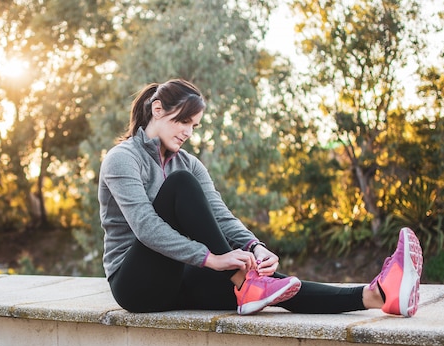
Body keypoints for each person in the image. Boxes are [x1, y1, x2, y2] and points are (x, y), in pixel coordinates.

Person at [98, 79, 423, 317]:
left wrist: (255, 247)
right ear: (157, 109)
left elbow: (221, 217)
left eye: (194, 126)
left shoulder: (189, 163)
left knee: (273, 286)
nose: (188, 133)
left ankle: (377, 295)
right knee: (181, 186)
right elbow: (145, 227)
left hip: (179, 277)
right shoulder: (122, 158)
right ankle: (244, 280)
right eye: (183, 121)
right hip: (135, 284)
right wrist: (211, 259)